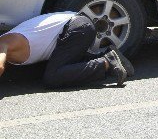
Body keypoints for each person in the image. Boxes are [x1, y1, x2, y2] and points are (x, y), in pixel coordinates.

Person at [0, 12, 134, 88]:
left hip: (77, 28)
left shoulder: (4, 43)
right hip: (73, 29)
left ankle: (106, 62)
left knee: (53, 77)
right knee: (37, 73)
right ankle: (106, 55)